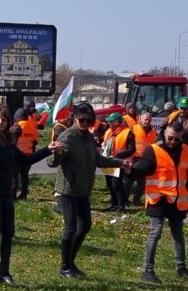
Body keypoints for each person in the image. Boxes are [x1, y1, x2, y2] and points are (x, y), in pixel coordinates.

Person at [0, 106, 57, 287]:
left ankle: (4, 271)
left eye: (3, 120)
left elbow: (26, 159)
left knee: (8, 231)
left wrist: (48, 149)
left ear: (8, 123)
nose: (0, 122)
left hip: (4, 191)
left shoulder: (7, 143)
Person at [130, 119, 188, 282]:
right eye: (170, 138)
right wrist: (130, 170)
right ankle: (147, 271)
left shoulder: (185, 149)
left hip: (178, 200)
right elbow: (141, 169)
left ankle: (181, 268)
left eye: (177, 139)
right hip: (158, 199)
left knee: (178, 234)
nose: (173, 142)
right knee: (155, 233)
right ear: (164, 133)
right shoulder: (153, 150)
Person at [49, 103, 128, 279]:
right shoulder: (67, 137)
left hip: (83, 190)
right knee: (71, 228)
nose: (85, 123)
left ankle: (70, 262)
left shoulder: (88, 138)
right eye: (82, 119)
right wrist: (58, 153)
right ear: (75, 117)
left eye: (89, 121)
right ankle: (65, 267)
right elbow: (52, 162)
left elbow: (98, 159)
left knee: (85, 226)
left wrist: (119, 163)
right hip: (67, 190)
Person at [101, 112, 135, 211]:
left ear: (116, 122)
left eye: (110, 121)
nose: (108, 123)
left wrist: (117, 156)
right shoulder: (108, 132)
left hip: (120, 163)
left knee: (117, 185)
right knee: (110, 184)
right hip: (108, 162)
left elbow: (132, 149)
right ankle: (114, 204)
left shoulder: (128, 133)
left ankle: (121, 206)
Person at [11, 108, 41, 200]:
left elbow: (11, 141)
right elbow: (35, 141)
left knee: (14, 176)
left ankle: (12, 195)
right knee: (24, 176)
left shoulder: (16, 126)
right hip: (28, 156)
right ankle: (24, 195)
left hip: (17, 156)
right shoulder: (32, 127)